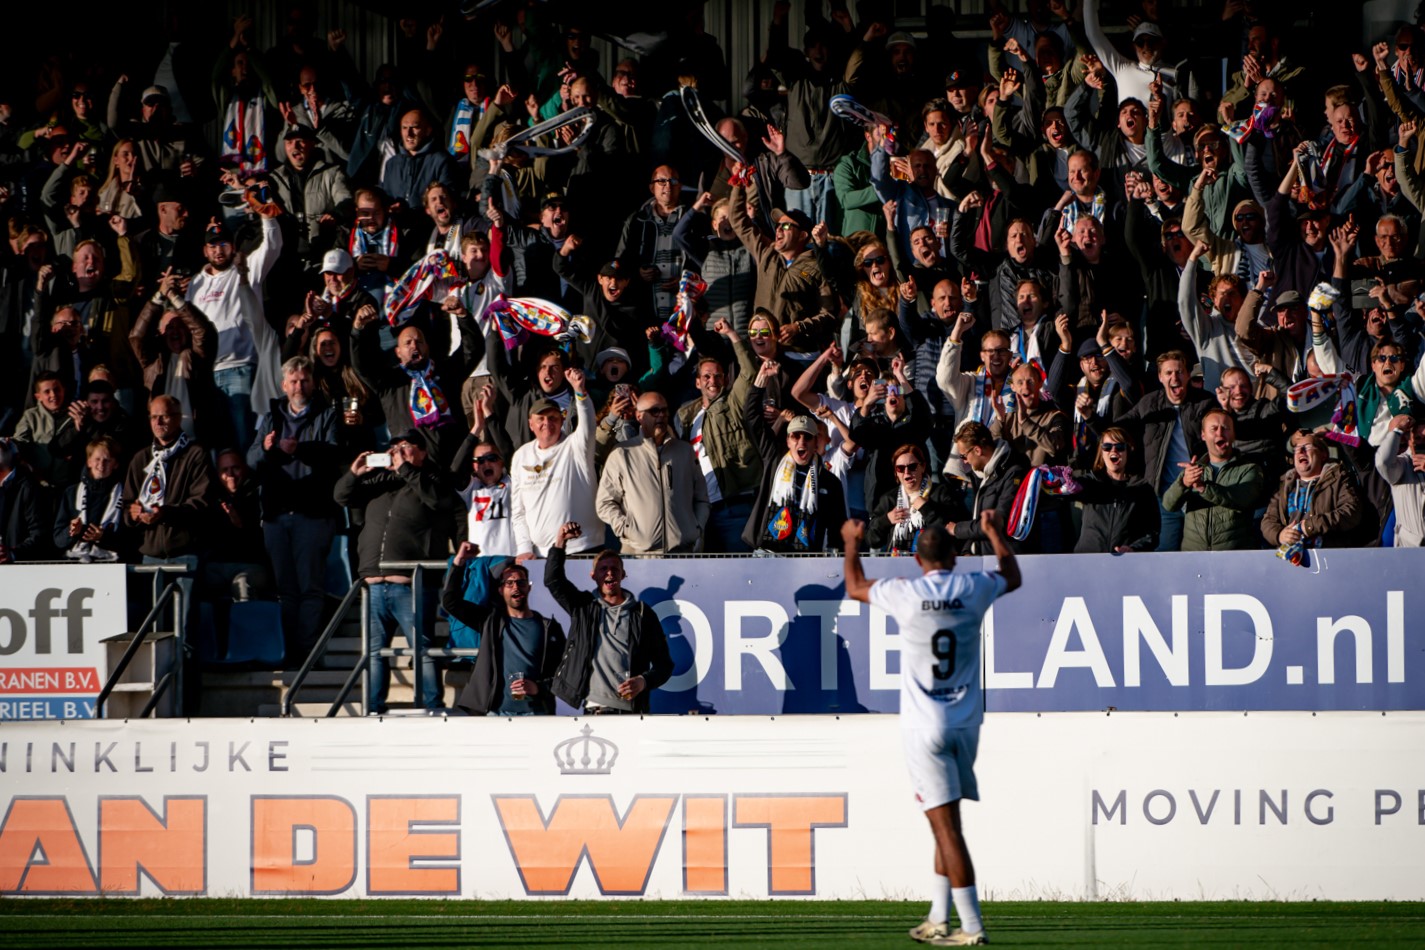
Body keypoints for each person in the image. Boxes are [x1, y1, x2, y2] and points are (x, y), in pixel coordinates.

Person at [841, 513, 1021, 948]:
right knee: (951, 822)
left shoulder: (906, 593)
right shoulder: (971, 588)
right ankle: (939, 918)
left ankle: (972, 926)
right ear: (956, 557)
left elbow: (854, 586)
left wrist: (851, 542)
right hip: (966, 724)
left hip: (925, 728)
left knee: (945, 831)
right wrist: (995, 533)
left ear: (918, 561)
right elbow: (1010, 577)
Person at [333, 430, 459, 714]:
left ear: (422, 452)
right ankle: (374, 708)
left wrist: (405, 469)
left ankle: (433, 706)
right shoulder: (378, 481)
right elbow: (341, 497)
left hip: (409, 585)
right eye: (393, 448)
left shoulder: (432, 479)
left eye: (405, 447)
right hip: (374, 584)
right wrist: (355, 473)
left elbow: (439, 502)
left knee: (422, 649)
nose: (397, 452)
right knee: (375, 652)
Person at [247, 356, 341, 661]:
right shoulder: (269, 416)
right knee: (285, 590)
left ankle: (308, 653)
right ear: (283, 384)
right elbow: (250, 462)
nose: (299, 385)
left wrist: (299, 449)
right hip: (276, 515)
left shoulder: (327, 413)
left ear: (312, 383)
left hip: (312, 514)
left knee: (310, 588)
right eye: (293, 381)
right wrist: (265, 449)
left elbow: (333, 454)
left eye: (304, 380)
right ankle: (287, 652)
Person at [544, 521, 674, 716]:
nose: (610, 572)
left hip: (631, 712)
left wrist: (643, 681)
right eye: (603, 569)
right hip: (594, 710)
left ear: (623, 574)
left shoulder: (642, 613)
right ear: (593, 576)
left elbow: (664, 665)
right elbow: (553, 580)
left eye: (614, 568)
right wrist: (560, 541)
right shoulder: (583, 606)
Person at [446, 543, 565, 716]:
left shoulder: (549, 627)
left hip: (537, 715)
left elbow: (562, 672)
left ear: (529, 587)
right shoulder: (490, 621)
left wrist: (538, 687)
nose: (516, 586)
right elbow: (450, 602)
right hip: (496, 713)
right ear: (501, 590)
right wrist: (459, 563)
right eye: (509, 583)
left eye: (520, 582)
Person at [596, 392, 708, 555]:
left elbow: (702, 498)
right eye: (654, 411)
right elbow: (604, 503)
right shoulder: (622, 453)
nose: (661, 415)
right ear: (639, 416)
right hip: (638, 554)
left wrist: (696, 528)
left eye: (664, 410)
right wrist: (626, 528)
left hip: (682, 553)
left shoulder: (685, 451)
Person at [510, 366, 602, 560]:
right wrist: (524, 547)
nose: (547, 423)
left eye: (552, 418)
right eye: (540, 418)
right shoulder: (521, 455)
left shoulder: (576, 446)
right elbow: (518, 511)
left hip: (582, 547)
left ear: (561, 421)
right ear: (530, 424)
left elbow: (588, 425)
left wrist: (580, 391)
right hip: (540, 554)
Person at [1161, 408, 1265, 552]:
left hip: (1234, 558)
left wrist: (1203, 488)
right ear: (1203, 435)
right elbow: (1168, 504)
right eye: (1214, 428)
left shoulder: (1250, 469)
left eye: (1225, 428)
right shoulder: (1193, 469)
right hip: (1194, 556)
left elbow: (1243, 498)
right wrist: (1183, 483)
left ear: (1234, 434)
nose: (1220, 433)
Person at [1260, 429, 1367, 552]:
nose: (1301, 451)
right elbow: (1268, 520)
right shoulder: (1285, 484)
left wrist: (1310, 526)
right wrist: (1279, 535)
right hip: (1290, 558)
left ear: (1323, 455)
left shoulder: (1339, 478)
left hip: (1329, 556)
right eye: (1297, 449)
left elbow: (1351, 512)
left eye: (1307, 447)